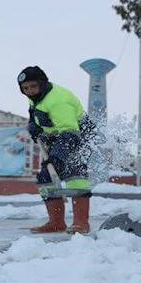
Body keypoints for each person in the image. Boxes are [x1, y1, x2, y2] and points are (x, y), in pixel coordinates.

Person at [18, 66, 93, 234]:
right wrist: (34, 126)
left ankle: (81, 222)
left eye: (33, 86)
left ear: (42, 83)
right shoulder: (37, 96)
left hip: (78, 137)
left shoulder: (59, 101)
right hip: (58, 138)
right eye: (25, 88)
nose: (29, 91)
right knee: (46, 177)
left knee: (75, 175)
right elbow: (35, 112)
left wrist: (58, 156)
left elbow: (70, 132)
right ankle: (56, 222)